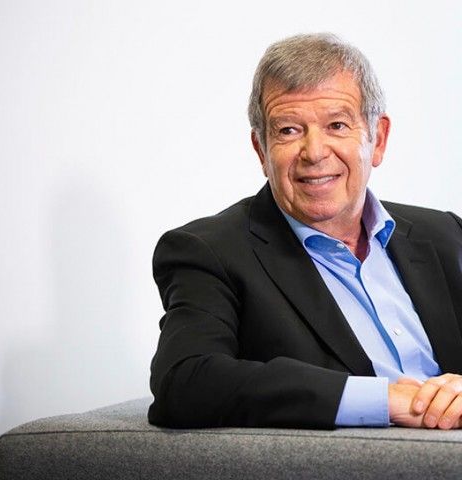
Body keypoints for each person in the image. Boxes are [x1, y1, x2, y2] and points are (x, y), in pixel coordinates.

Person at [148, 33, 462, 430]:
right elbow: (184, 381)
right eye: (289, 130)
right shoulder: (209, 252)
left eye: (337, 125)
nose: (314, 152)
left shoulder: (446, 234)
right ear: (262, 150)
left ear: (377, 139)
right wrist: (387, 400)